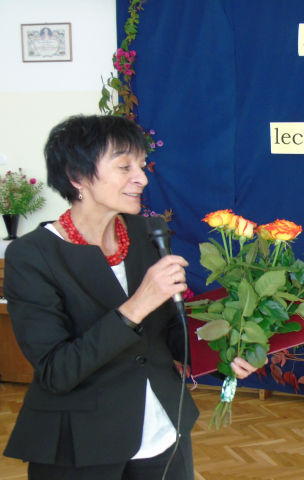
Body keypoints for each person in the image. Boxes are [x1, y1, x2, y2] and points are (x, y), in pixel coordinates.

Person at [2, 114, 259, 480]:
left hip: (164, 432)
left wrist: (223, 354)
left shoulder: (148, 233)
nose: (141, 178)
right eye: (125, 166)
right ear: (77, 176)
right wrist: (138, 304)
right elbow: (57, 371)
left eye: (141, 165)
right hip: (81, 444)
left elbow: (169, 331)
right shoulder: (32, 255)